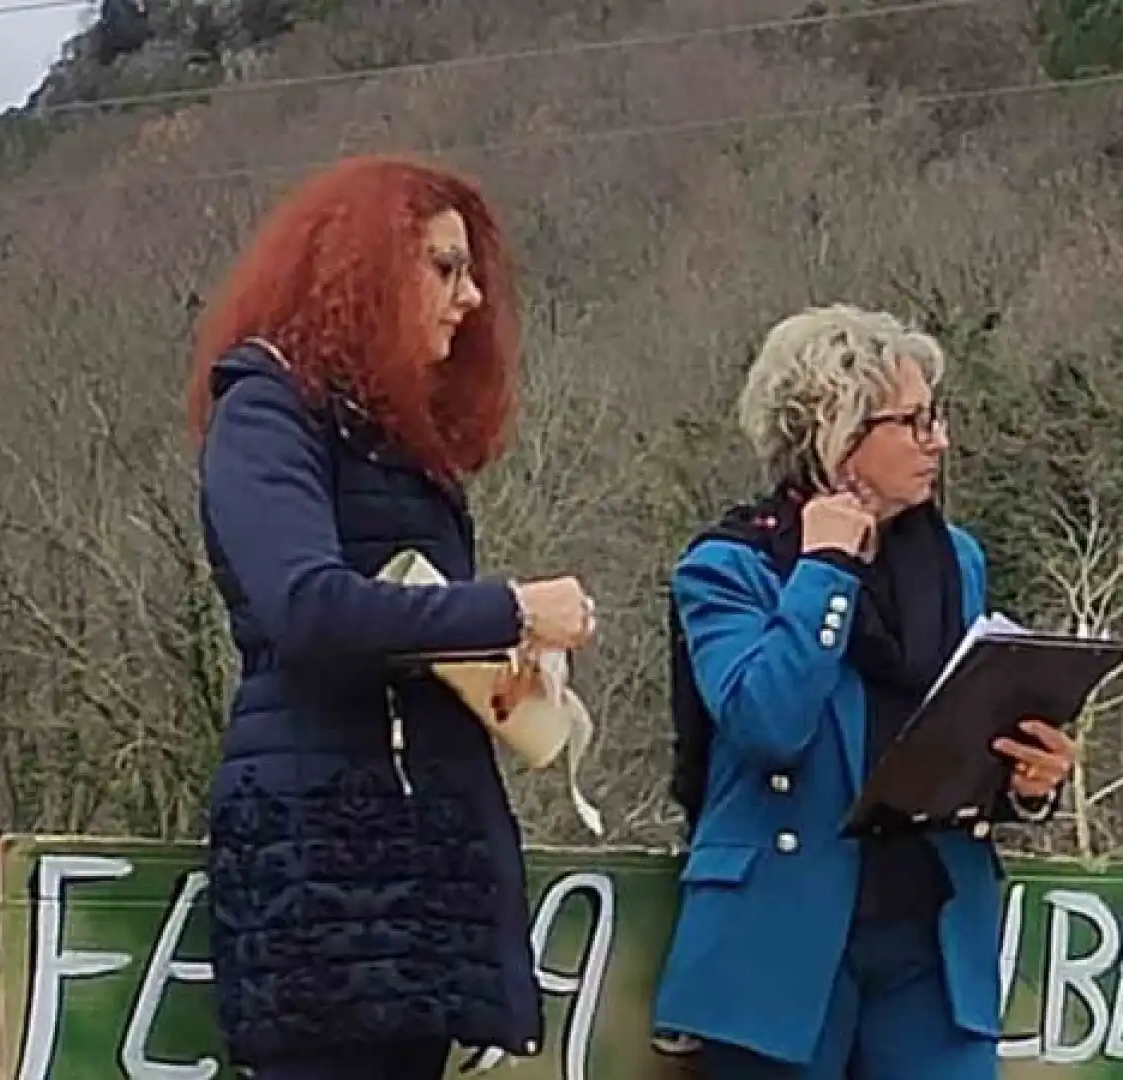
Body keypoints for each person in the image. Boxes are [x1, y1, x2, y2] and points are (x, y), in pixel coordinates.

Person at [186, 154, 599, 1080]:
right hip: (321, 862)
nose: (471, 295)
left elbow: (396, 628)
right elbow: (307, 607)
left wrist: (499, 665)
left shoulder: (388, 441)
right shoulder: (265, 413)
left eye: (472, 270)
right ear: (362, 272)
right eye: (443, 267)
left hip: (412, 860)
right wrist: (507, 609)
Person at [651, 303, 1076, 1079]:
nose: (938, 440)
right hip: (778, 943)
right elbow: (768, 722)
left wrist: (1028, 782)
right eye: (913, 421)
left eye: (937, 416)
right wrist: (826, 571)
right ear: (837, 431)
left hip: (932, 934)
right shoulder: (727, 567)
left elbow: (957, 727)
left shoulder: (955, 562)